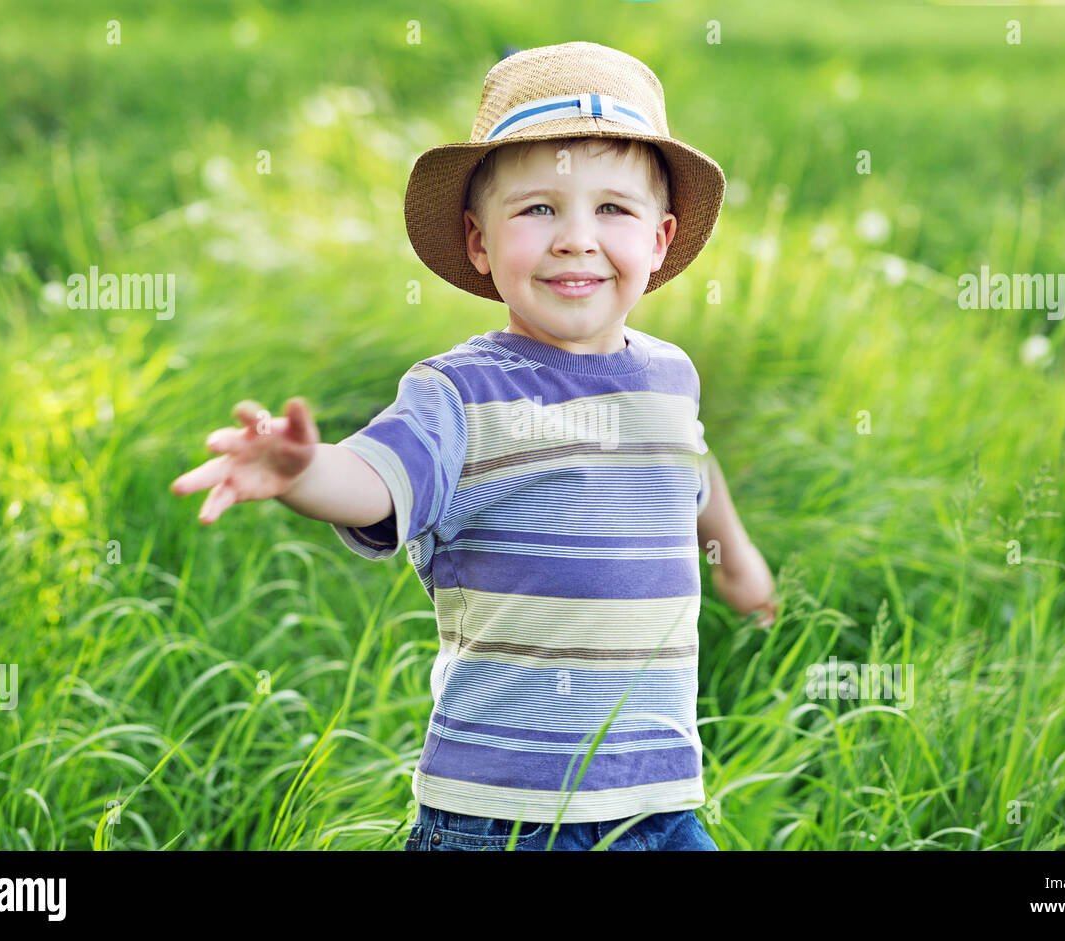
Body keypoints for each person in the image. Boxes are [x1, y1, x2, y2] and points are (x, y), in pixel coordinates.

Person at [172, 41, 776, 851]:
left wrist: (733, 555)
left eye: (613, 210)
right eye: (538, 209)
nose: (575, 239)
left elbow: (686, 469)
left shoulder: (669, 377)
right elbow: (378, 476)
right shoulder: (460, 393)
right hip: (507, 815)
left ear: (661, 240)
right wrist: (307, 470)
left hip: (660, 802)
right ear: (479, 241)